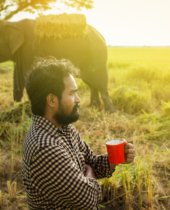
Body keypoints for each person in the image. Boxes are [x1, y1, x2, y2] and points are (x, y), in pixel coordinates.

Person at [22, 57, 135, 210]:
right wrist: (90, 176)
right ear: (51, 100)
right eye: (72, 93)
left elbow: (92, 163)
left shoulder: (65, 128)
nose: (78, 99)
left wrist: (114, 159)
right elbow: (88, 199)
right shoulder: (44, 147)